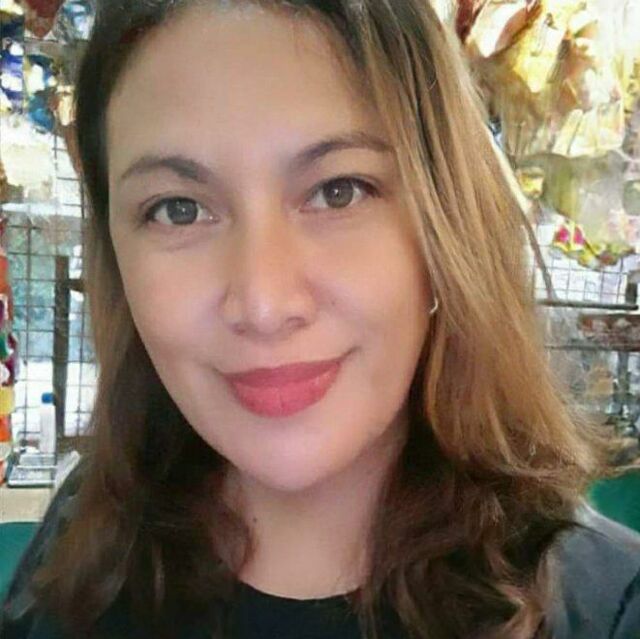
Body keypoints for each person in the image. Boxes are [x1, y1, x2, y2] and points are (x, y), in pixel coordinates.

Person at [2, 1, 640, 637]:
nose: (264, 304)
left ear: (445, 227)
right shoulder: (88, 540)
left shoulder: (605, 610)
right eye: (179, 209)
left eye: (339, 192)